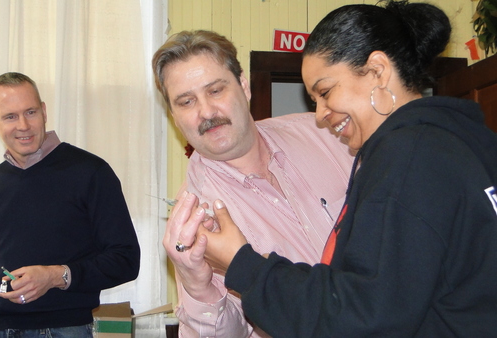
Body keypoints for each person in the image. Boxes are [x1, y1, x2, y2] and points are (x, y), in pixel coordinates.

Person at [173, 1, 497, 336]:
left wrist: (243, 264)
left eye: (325, 92)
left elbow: (360, 316)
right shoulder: (467, 141)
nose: (320, 115)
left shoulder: (403, 159)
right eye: (185, 101)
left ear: (378, 71)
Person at [152, 30, 354, 337]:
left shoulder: (323, 133)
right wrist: (197, 285)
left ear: (243, 86)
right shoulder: (196, 219)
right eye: (186, 101)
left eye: (216, 90)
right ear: (174, 116)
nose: (206, 112)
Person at [0, 72, 141, 337]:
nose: (23, 125)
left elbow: (126, 260)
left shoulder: (91, 172)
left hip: (63, 328)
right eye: (9, 116)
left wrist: (55, 276)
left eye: (30, 112)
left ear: (44, 111)